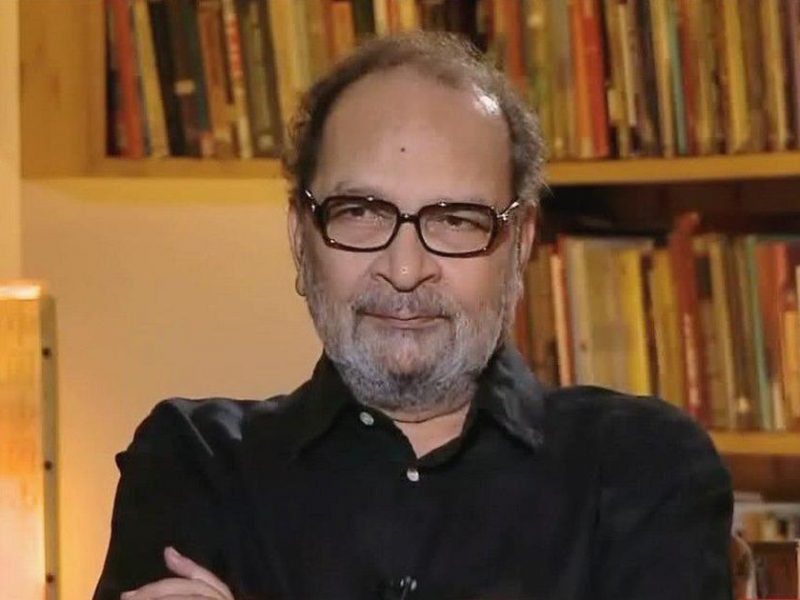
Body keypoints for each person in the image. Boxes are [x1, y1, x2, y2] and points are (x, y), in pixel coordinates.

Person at [94, 32, 733, 600]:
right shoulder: (194, 462)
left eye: (456, 220)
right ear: (300, 239)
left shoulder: (644, 466)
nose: (404, 269)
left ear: (520, 244)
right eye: (360, 212)